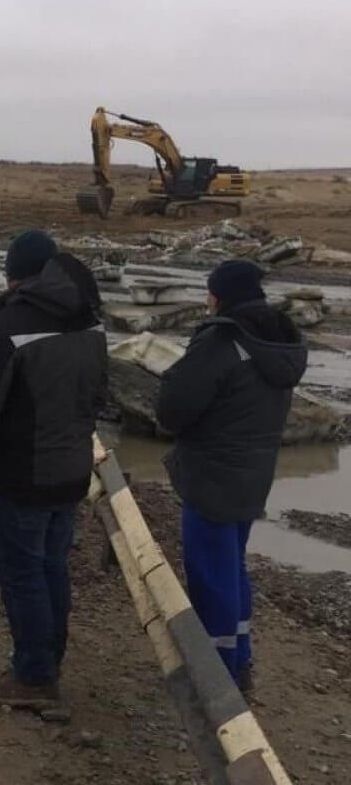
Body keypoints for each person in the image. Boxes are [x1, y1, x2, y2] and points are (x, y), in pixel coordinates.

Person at [0, 230, 108, 712]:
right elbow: (97, 399)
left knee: (21, 575)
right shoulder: (92, 325)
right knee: (49, 567)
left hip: (19, 478)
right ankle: (46, 660)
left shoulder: (5, 330)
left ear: (14, 273)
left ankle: (35, 677)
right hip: (71, 471)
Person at [156, 260, 307, 695]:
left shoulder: (222, 342)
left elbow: (173, 411)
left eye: (210, 294)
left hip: (211, 478)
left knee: (211, 576)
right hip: (254, 475)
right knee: (232, 568)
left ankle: (216, 676)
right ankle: (239, 661)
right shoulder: (281, 341)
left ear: (219, 297)